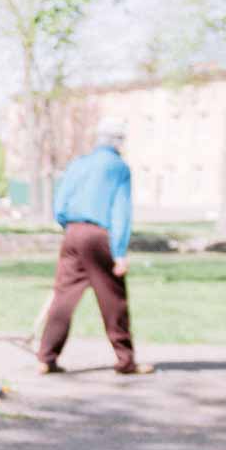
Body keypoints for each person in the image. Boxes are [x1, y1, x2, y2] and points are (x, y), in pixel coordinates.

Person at [37, 121, 153, 375]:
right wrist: (119, 252)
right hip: (99, 236)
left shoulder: (78, 164)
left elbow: (60, 204)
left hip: (72, 233)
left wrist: (71, 227)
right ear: (118, 143)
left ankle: (46, 357)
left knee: (63, 296)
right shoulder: (119, 168)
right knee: (113, 298)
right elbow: (120, 211)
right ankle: (125, 360)